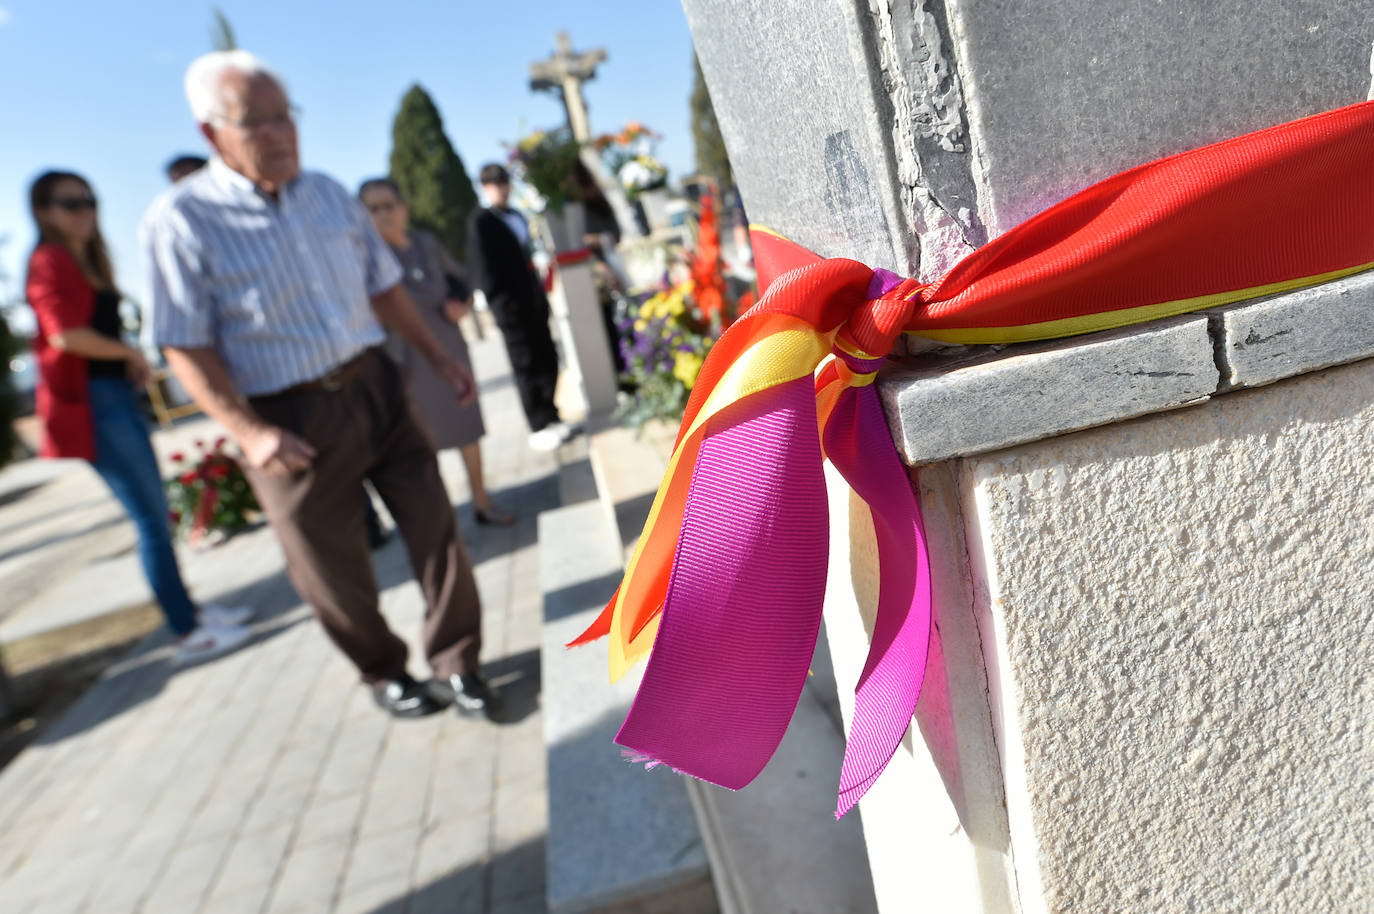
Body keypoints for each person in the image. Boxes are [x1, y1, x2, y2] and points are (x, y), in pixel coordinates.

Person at [141, 50, 501, 720]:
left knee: (435, 529)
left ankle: (459, 663)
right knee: (330, 568)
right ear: (210, 132)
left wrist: (439, 359)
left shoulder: (329, 193)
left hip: (378, 387)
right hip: (287, 420)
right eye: (257, 122)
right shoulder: (181, 221)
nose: (280, 134)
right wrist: (249, 433)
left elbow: (384, 290)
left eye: (287, 117)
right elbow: (182, 344)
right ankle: (385, 671)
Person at [24, 170, 254, 664]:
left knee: (156, 515)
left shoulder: (85, 259)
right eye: (70, 203)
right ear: (43, 211)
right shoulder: (49, 260)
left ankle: (189, 611)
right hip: (93, 405)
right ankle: (186, 631)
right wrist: (128, 354)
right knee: (151, 519)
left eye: (89, 199)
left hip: (112, 398)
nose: (85, 210)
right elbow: (64, 335)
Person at [358, 178, 515, 526]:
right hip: (405, 359)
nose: (383, 214)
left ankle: (481, 500)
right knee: (422, 443)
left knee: (466, 426)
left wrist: (463, 303)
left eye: (389, 205)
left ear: (404, 208)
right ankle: (440, 519)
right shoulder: (365, 260)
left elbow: (460, 279)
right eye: (373, 208)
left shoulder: (426, 244)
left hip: (449, 345)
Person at [467, 163, 574, 451]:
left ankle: (551, 414)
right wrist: (503, 305)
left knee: (547, 358)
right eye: (494, 183)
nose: (501, 188)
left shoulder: (516, 215)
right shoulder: (481, 221)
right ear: (485, 187)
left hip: (533, 300)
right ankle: (537, 423)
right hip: (511, 308)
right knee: (525, 365)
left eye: (504, 182)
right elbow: (484, 270)